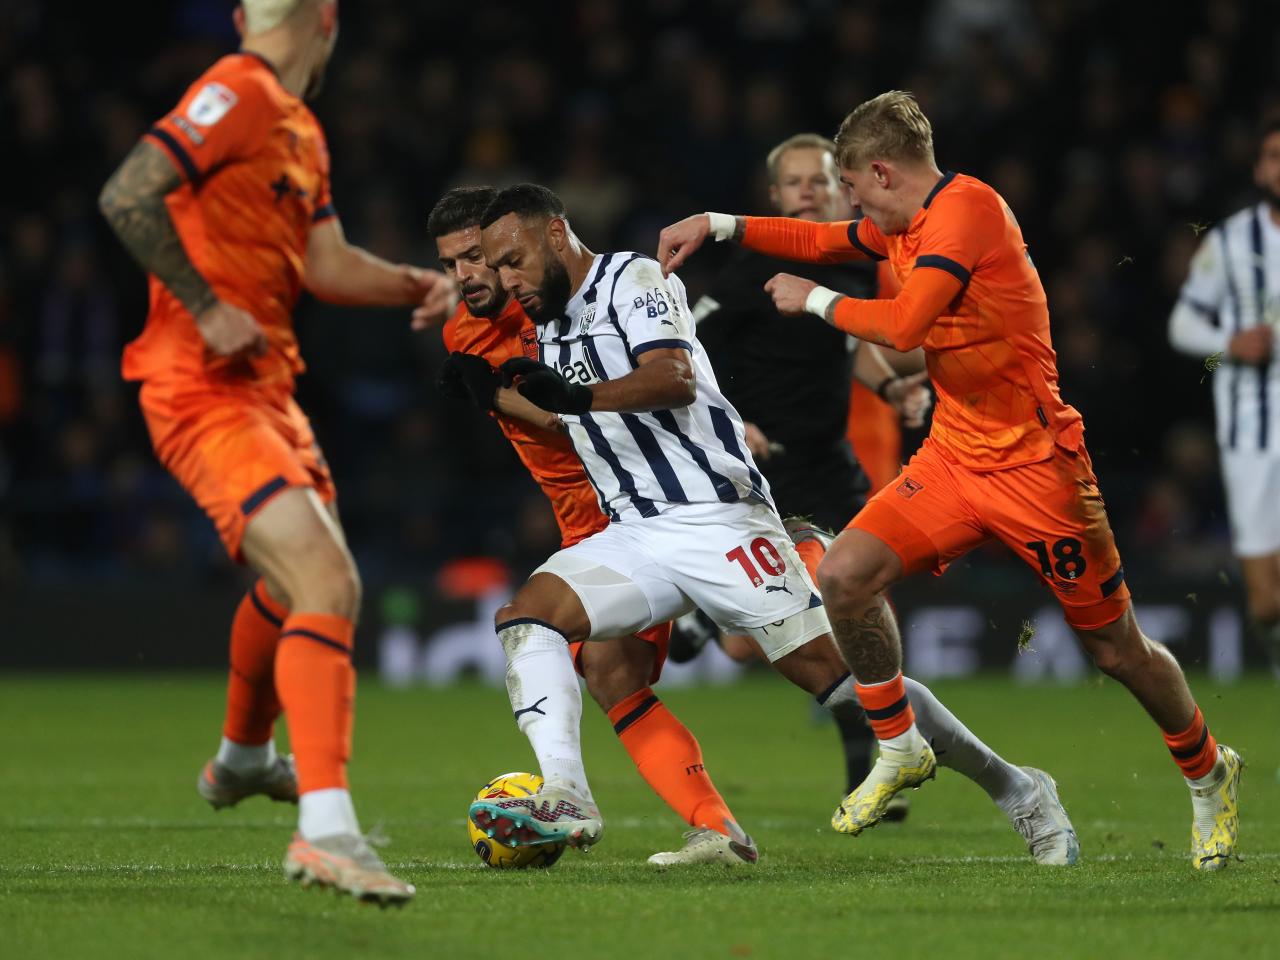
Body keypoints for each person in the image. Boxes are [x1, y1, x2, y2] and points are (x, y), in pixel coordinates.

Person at [657, 90, 1242, 872]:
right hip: (954, 457)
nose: (851, 205)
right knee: (847, 575)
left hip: (1039, 469)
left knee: (1116, 650)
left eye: (854, 187)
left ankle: (1208, 771)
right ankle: (896, 743)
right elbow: (823, 239)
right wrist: (721, 225)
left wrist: (814, 302)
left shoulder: (968, 213)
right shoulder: (903, 218)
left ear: (881, 171)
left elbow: (903, 328)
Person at [464, 183, 1079, 867]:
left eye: (513, 261)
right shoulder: (548, 323)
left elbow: (671, 378)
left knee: (847, 684)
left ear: (555, 236)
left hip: (719, 518)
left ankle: (1019, 788)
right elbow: (574, 423)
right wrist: (499, 400)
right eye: (498, 270)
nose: (508, 281)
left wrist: (574, 396)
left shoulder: (631, 277)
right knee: (529, 619)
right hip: (635, 531)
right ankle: (566, 793)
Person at [97, 0, 453, 904]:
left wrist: (410, 282)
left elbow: (324, 264)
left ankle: (245, 758)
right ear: (327, 23)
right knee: (330, 585)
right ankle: (327, 833)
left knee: (290, 586)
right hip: (200, 384)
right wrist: (205, 305)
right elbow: (127, 193)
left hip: (268, 392)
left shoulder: (300, 128)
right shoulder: (236, 88)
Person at [427, 185, 754, 866]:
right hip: (585, 523)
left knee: (805, 660)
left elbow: (586, 417)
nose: (465, 276)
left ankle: (575, 794)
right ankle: (715, 829)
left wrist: (499, 397)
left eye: (475, 259)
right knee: (613, 676)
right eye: (451, 264)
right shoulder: (463, 330)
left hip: (643, 511)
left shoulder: (555, 310)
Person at [686, 132, 930, 804]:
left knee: (863, 595)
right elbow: (687, 346)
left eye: (819, 180)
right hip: (758, 474)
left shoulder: (855, 259)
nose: (807, 192)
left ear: (840, 187)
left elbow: (846, 343)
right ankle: (704, 617)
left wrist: (892, 390)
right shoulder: (750, 261)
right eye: (793, 183)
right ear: (773, 197)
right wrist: (731, 420)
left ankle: (882, 761)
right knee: (748, 648)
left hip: (831, 463)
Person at [1168, 118, 1280, 696]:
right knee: (1266, 603)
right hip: (1251, 433)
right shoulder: (1232, 242)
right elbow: (1182, 321)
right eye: (1273, 156)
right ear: (1261, 169)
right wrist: (1229, 343)